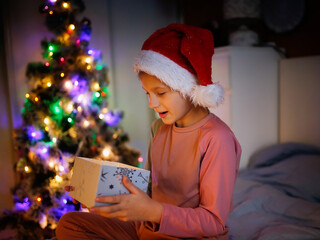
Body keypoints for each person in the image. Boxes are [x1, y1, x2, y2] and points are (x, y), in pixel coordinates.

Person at [56, 23, 241, 240]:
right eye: (147, 94)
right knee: (70, 225)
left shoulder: (217, 138)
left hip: (189, 236)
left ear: (190, 86)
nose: (152, 103)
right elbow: (150, 191)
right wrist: (101, 197)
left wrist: (153, 212)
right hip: (147, 228)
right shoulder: (159, 129)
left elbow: (214, 222)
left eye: (160, 93)